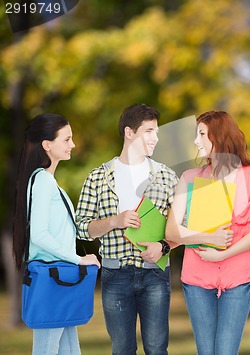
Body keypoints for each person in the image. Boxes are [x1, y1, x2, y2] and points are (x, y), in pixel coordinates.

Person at [164, 110, 250, 355]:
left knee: (225, 351)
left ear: (219, 136)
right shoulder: (190, 178)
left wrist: (223, 254)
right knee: (206, 351)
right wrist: (207, 238)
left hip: (237, 279)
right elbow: (172, 229)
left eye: (201, 134)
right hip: (197, 278)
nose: (195, 141)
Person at [75, 104, 178, 354]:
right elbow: (81, 229)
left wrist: (163, 246)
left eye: (157, 131)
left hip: (155, 273)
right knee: (122, 349)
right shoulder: (99, 176)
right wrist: (114, 221)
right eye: (149, 131)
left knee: (157, 349)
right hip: (115, 274)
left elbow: (182, 229)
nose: (156, 138)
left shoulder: (166, 176)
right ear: (129, 132)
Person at [13, 113, 101, 355]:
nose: (72, 144)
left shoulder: (47, 181)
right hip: (53, 278)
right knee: (47, 349)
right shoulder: (42, 182)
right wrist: (79, 259)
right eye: (67, 139)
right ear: (47, 145)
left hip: (58, 280)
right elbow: (39, 235)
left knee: (70, 350)